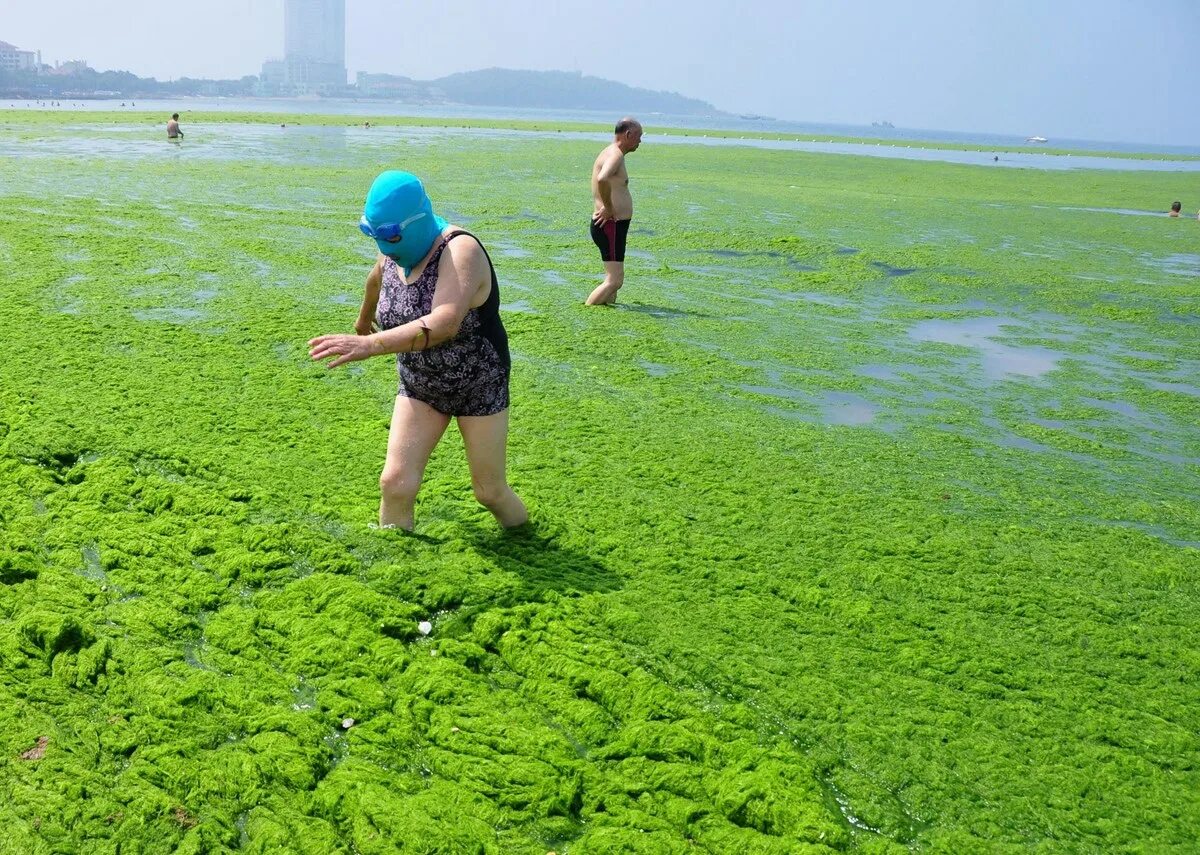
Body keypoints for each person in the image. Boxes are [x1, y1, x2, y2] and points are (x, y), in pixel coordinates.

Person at [309, 171, 527, 531]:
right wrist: (363, 318)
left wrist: (368, 344)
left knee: (489, 491)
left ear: (416, 221)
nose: (382, 244)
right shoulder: (393, 250)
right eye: (371, 233)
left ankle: (528, 542)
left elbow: (444, 323)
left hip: (478, 384)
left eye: (390, 235)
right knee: (395, 483)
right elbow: (378, 275)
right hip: (420, 383)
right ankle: (394, 568)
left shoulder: (460, 251)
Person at [586, 117, 644, 306]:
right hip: (610, 225)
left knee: (614, 282)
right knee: (614, 280)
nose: (640, 141)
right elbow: (603, 179)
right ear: (628, 134)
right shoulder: (615, 155)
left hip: (615, 226)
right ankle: (589, 314)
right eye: (639, 136)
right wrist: (609, 208)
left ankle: (606, 314)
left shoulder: (613, 153)